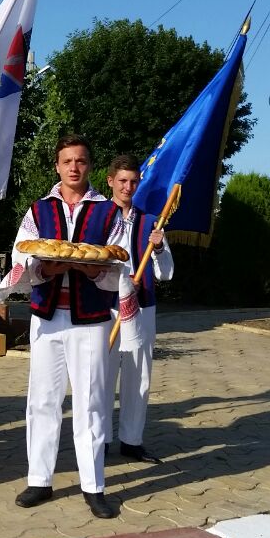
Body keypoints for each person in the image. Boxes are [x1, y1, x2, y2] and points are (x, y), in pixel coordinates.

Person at [0, 135, 129, 519]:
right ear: (57, 166)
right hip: (47, 316)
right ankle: (39, 478)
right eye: (67, 161)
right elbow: (23, 256)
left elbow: (120, 263)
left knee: (90, 402)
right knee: (42, 399)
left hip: (90, 319)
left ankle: (93, 485)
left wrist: (95, 270)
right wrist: (44, 269)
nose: (74, 167)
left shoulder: (107, 213)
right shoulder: (39, 209)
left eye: (81, 161)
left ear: (90, 166)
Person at [104, 155, 174, 464]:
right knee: (102, 374)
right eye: (122, 180)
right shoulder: (94, 217)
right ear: (110, 181)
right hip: (104, 307)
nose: (127, 187)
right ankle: (100, 439)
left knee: (138, 374)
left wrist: (157, 247)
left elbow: (167, 272)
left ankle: (132, 441)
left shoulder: (151, 222)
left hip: (141, 306)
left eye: (133, 181)